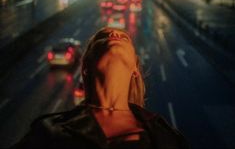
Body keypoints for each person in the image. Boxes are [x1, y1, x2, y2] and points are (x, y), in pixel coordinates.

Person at [9, 27, 190, 149]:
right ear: (86, 66)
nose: (114, 35)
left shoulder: (165, 135)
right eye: (102, 38)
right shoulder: (48, 132)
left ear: (135, 69)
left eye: (124, 37)